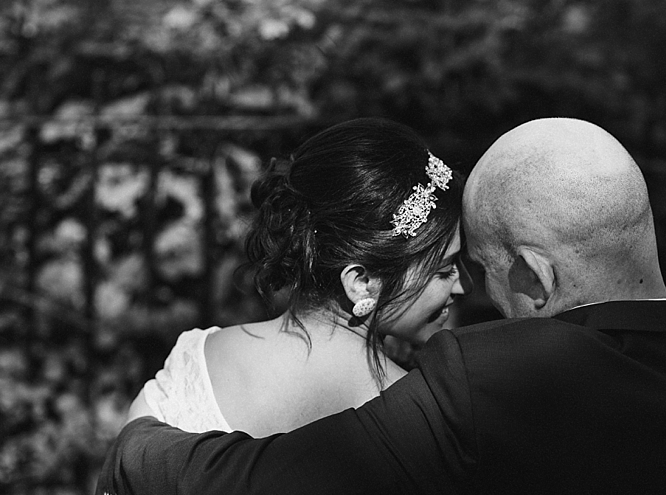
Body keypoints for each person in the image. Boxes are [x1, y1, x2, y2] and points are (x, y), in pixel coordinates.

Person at [96, 118, 666, 495]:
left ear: (538, 281)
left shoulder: (489, 391)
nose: (468, 293)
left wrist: (135, 445)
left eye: (478, 269)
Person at [125, 118, 469, 437]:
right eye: (444, 270)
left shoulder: (193, 364)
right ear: (361, 281)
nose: (462, 285)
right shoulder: (428, 418)